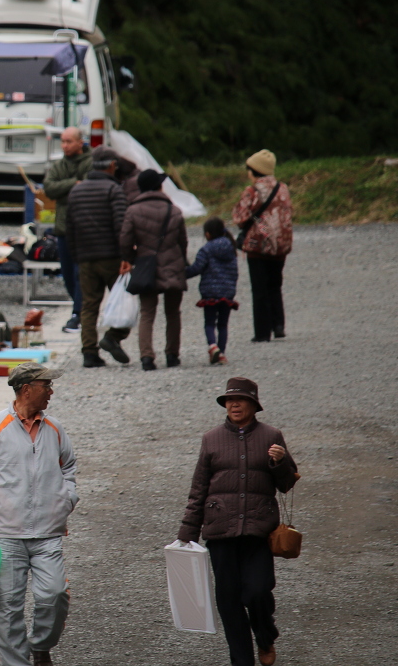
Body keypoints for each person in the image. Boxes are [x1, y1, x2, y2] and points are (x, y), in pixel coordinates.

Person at [176, 377, 299, 666]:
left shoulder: (272, 435)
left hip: (258, 532)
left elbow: (286, 484)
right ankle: (242, 661)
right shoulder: (211, 438)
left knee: (258, 591)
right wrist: (188, 530)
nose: (233, 404)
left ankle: (265, 636)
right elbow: (199, 487)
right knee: (229, 602)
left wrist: (280, 462)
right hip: (220, 532)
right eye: (229, 400)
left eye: (240, 400)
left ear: (254, 405)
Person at [0, 362, 76, 666]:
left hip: (48, 533)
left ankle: (41, 646)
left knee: (55, 595)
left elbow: (69, 467)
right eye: (46, 385)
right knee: (8, 609)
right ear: (27, 389)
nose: (51, 391)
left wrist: (67, 497)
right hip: (6, 535)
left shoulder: (54, 428)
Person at [65, 145, 131, 367]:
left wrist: (76, 256)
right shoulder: (114, 190)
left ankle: (89, 353)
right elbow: (121, 226)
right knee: (126, 301)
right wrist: (126, 256)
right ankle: (113, 337)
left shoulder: (76, 191)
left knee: (89, 305)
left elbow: (70, 228)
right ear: (112, 166)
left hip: (85, 258)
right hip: (112, 257)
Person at [118, 169, 188, 371]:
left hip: (146, 266)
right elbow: (183, 241)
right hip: (173, 266)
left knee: (147, 312)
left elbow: (125, 241)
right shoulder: (174, 210)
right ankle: (172, 354)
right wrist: (182, 262)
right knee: (173, 312)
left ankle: (147, 357)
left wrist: (132, 259)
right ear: (159, 186)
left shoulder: (133, 211)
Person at [232, 150, 292, 342]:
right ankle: (278, 325)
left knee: (259, 289)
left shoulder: (252, 192)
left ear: (254, 170)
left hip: (258, 246)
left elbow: (240, 218)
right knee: (275, 285)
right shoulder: (283, 188)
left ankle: (262, 332)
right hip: (280, 245)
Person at [42, 127, 91, 333]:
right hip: (63, 228)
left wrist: (67, 191)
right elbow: (49, 188)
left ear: (80, 142)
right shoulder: (59, 165)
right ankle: (79, 310)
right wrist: (73, 184)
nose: (64, 146)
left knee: (82, 273)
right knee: (68, 274)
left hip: (84, 229)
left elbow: (88, 190)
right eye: (62, 141)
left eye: (69, 141)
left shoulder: (91, 163)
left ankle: (78, 313)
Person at [186, 217, 239, 365]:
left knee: (209, 323)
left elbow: (196, 268)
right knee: (223, 324)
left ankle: (212, 346)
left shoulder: (206, 249)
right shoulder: (231, 248)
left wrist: (180, 273)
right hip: (228, 292)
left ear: (208, 234)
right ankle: (221, 353)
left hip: (210, 292)